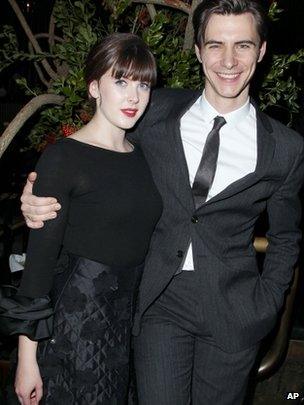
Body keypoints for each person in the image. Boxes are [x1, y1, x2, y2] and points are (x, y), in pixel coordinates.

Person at [19, 0, 304, 404]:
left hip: (235, 309)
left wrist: (267, 303)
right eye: (215, 45)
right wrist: (37, 196)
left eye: (242, 45)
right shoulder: (154, 110)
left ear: (260, 51)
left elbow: (286, 236)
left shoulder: (286, 149)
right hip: (158, 303)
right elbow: (98, 160)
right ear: (198, 51)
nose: (228, 60)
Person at [0, 33, 162, 405]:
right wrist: (27, 360)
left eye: (143, 84)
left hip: (124, 330)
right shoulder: (63, 158)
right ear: (94, 87)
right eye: (120, 81)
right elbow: (38, 264)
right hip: (72, 330)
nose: (133, 96)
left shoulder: (143, 156)